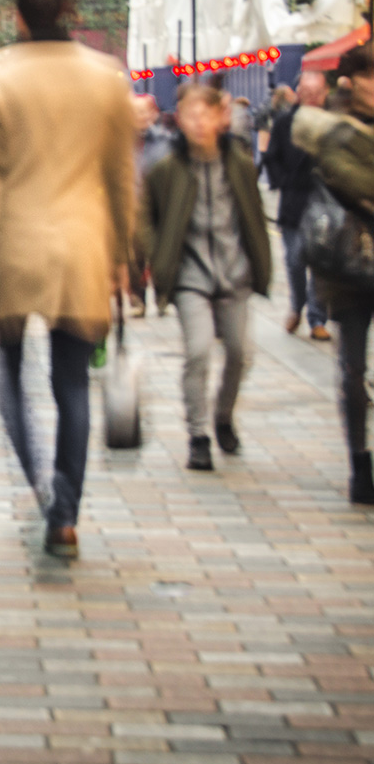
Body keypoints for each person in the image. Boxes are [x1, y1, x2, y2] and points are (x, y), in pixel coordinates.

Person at [0, 0, 135, 560]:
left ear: (16, 14)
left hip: (16, 246)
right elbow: (121, 179)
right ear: (70, 11)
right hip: (83, 248)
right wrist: (124, 254)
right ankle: (65, 512)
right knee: (71, 387)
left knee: (7, 371)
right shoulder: (108, 77)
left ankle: (36, 480)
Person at [142, 81, 271, 472]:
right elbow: (145, 217)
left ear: (220, 117)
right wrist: (157, 255)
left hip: (234, 274)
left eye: (206, 114)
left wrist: (261, 265)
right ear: (179, 121)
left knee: (239, 352)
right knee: (197, 351)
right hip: (189, 275)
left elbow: (254, 217)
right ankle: (198, 434)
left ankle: (223, 416)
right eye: (190, 116)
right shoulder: (167, 168)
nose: (198, 123)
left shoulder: (239, 164)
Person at [292, 46, 374, 503]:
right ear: (351, 81)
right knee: (352, 369)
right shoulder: (329, 130)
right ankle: (360, 462)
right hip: (348, 262)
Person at [265, 70, 331, 341]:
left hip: (325, 203)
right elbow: (272, 157)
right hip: (293, 202)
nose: (311, 99)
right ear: (298, 93)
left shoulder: (333, 123)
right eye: (306, 93)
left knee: (320, 263)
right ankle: (297, 304)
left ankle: (317, 318)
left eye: (316, 94)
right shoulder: (284, 122)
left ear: (324, 94)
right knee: (294, 260)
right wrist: (283, 181)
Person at [130, 93, 171, 317]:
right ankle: (137, 300)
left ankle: (163, 297)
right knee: (134, 257)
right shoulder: (119, 141)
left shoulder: (165, 140)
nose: (141, 116)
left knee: (160, 253)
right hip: (132, 207)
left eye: (145, 111)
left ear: (154, 114)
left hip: (158, 206)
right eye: (136, 112)